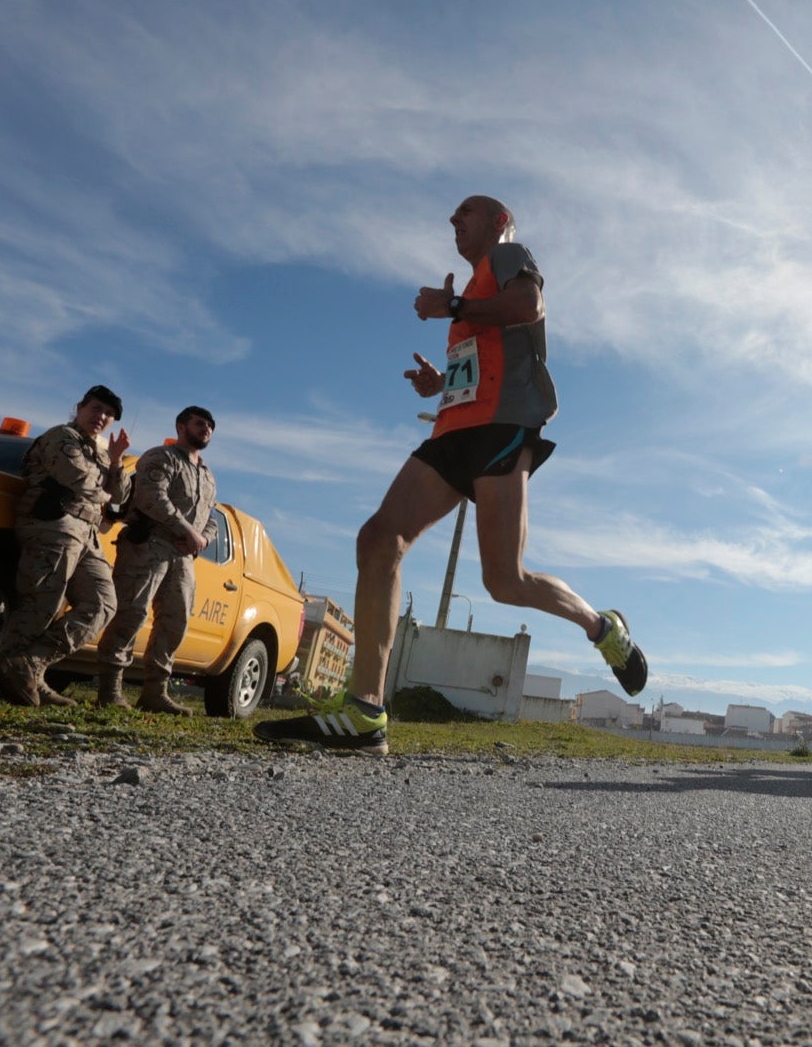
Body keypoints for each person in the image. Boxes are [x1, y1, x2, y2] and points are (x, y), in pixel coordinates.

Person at [256, 196, 646, 753]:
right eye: (452, 216)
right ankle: (366, 712)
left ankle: (603, 629)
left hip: (500, 428)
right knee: (378, 539)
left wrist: (454, 303)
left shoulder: (509, 259)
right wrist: (440, 381)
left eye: (466, 212)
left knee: (504, 581)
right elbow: (489, 356)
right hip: (451, 430)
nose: (452, 221)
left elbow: (528, 306)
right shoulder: (473, 294)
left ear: (499, 222)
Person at [0, 385, 131, 707]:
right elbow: (79, 480)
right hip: (55, 523)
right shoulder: (61, 437)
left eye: (108, 414)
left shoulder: (101, 451)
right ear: (80, 406)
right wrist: (108, 490)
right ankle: (12, 672)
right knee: (43, 602)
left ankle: (31, 665)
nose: (102, 417)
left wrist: (117, 461)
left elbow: (121, 498)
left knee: (102, 604)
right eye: (96, 409)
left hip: (87, 534)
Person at [94, 407, 218, 714]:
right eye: (199, 423)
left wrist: (202, 538)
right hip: (148, 546)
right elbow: (151, 498)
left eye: (210, 426)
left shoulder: (207, 474)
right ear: (181, 426)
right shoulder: (161, 458)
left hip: (183, 556)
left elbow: (211, 517)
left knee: (175, 622)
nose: (206, 429)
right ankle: (110, 690)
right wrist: (187, 530)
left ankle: (155, 692)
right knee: (130, 614)